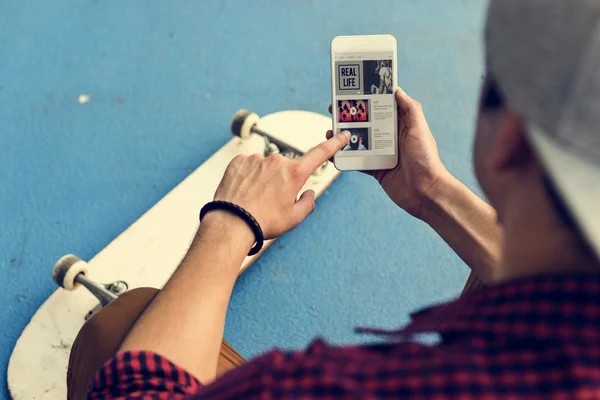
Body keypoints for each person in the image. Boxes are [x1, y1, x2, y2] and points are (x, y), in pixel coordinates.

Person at [85, 1, 600, 398]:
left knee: (119, 326)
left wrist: (230, 222)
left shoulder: (347, 385)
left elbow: (138, 389)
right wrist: (432, 192)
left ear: (511, 138)